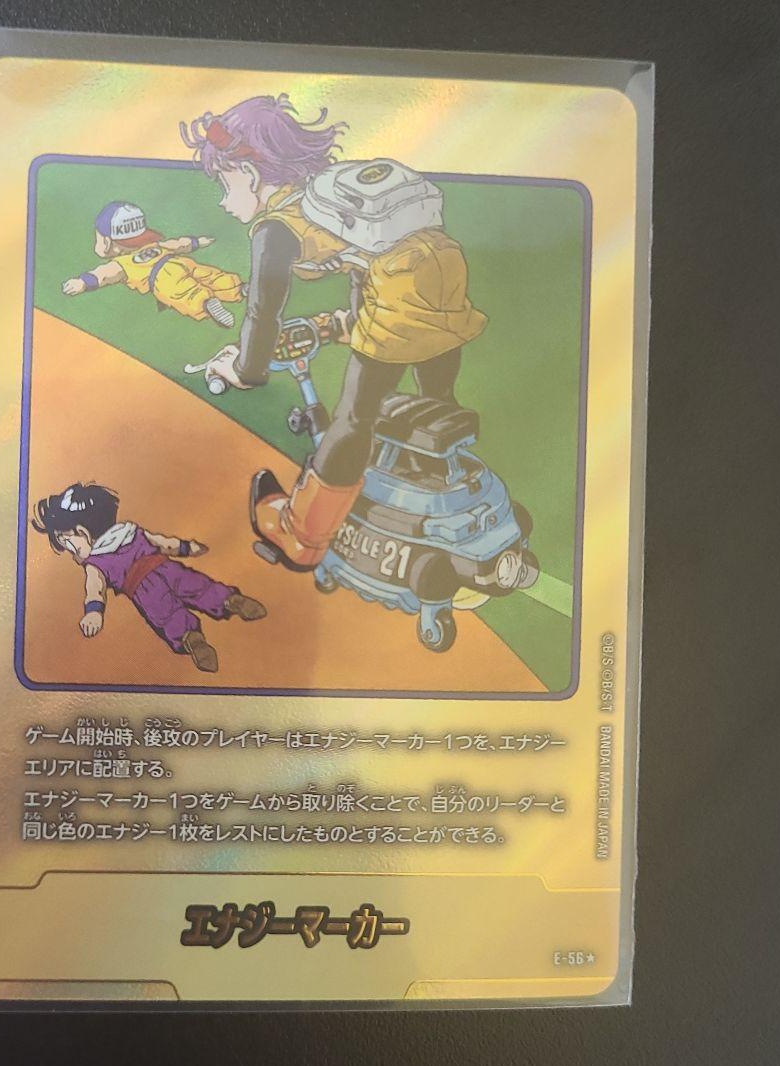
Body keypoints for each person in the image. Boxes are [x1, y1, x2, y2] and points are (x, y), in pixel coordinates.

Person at [181, 95, 487, 570]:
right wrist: (352, 321)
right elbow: (368, 260)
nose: (224, 199)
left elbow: (263, 311)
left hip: (400, 302)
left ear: (251, 174)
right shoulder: (329, 193)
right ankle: (426, 496)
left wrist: (246, 369)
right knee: (435, 401)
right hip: (446, 278)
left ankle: (302, 535)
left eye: (226, 182)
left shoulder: (276, 228)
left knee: (353, 420)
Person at [32, 483, 266, 673]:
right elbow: (164, 543)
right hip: (169, 568)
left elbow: (95, 590)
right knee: (199, 586)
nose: (69, 549)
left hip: (145, 591)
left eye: (66, 541)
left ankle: (193, 640)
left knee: (169, 617)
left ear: (82, 532)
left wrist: (94, 613)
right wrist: (187, 547)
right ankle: (230, 601)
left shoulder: (96, 564)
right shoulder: (133, 532)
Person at [62, 201, 244, 328]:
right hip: (178, 262)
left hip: (160, 279)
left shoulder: (121, 264)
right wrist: (197, 242)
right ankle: (239, 288)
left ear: (108, 242)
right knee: (209, 275)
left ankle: (206, 303)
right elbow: (178, 245)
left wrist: (82, 282)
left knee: (186, 293)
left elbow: (102, 275)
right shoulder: (155, 245)